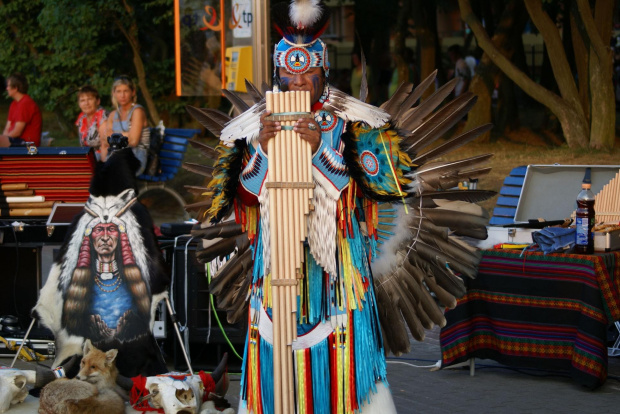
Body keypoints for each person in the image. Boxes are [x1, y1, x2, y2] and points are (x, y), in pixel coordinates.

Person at [99, 76, 150, 175]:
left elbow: (134, 141)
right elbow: (105, 141)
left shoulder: (137, 111)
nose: (122, 95)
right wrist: (126, 134)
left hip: (135, 158)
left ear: (133, 92)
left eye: (126, 91)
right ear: (114, 93)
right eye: (118, 91)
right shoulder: (113, 114)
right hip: (115, 156)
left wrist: (113, 135)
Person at [0, 73, 42, 147]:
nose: (6, 88)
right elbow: (7, 127)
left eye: (8, 86)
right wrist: (3, 139)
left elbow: (17, 132)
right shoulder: (14, 104)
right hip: (16, 140)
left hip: (28, 144)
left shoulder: (26, 103)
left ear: (15, 88)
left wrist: (3, 140)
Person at [75, 85, 107, 158]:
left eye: (89, 99)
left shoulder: (102, 116)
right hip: (89, 157)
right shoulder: (81, 118)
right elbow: (82, 146)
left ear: (98, 101)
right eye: (82, 100)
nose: (86, 103)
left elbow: (105, 146)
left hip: (104, 157)